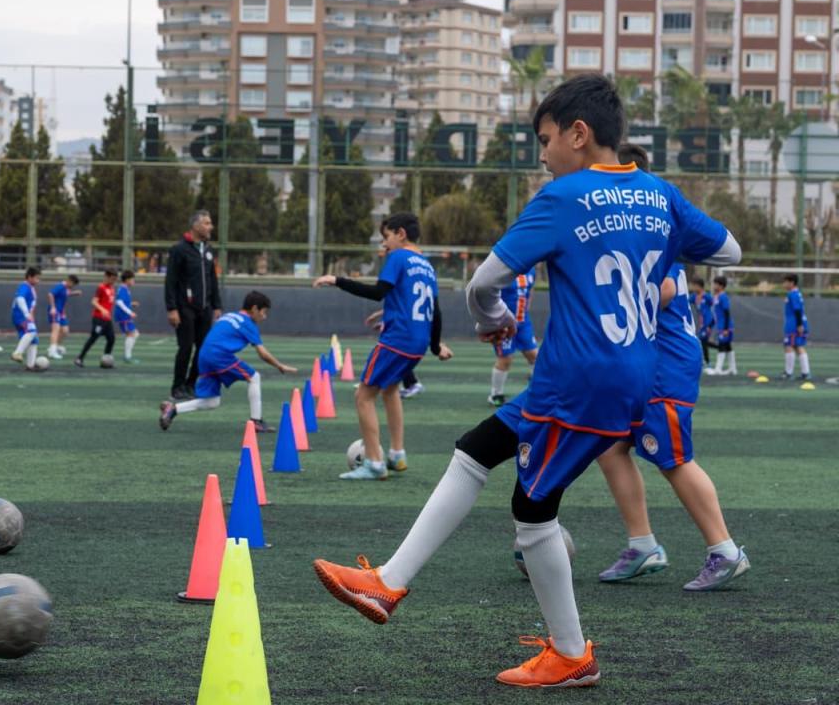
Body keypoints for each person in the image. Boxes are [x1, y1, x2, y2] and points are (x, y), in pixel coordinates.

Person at [310, 74, 740, 688]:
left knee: (532, 511)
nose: (541, 155)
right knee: (477, 448)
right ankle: (388, 582)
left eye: (545, 139)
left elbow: (482, 284)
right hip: (625, 374)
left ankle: (568, 655)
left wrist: (498, 321)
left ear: (579, 133)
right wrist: (663, 262)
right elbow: (730, 252)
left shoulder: (564, 197)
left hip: (580, 379)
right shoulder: (660, 194)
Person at [596, 147, 748, 591]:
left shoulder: (652, 227)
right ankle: (642, 544)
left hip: (666, 366)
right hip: (644, 364)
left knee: (672, 458)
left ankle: (725, 550)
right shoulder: (643, 226)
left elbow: (662, 288)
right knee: (610, 447)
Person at [313, 212, 453, 480]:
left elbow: (378, 291)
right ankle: (397, 454)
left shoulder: (398, 257)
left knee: (363, 396)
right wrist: (434, 346)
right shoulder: (426, 265)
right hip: (417, 343)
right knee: (390, 391)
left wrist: (337, 280)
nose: (384, 243)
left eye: (386, 236)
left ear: (400, 234)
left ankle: (375, 463)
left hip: (397, 340)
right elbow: (435, 311)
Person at [159, 291, 296, 432]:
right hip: (219, 356)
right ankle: (256, 421)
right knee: (254, 377)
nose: (264, 317)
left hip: (204, 356)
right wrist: (279, 365)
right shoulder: (248, 323)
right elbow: (262, 353)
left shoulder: (229, 315)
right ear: (255, 309)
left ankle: (173, 409)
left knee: (212, 401)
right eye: (264, 312)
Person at [165, 210, 222, 400]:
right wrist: (172, 308)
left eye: (210, 223)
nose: (210, 227)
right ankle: (177, 386)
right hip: (184, 308)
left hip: (204, 308)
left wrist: (216, 305)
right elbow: (170, 281)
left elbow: (212, 279)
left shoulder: (208, 250)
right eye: (206, 223)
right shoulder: (179, 249)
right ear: (196, 226)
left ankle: (191, 384)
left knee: (204, 348)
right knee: (186, 347)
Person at [489, 269, 539, 407]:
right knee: (505, 359)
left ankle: (536, 390)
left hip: (523, 322)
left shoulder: (531, 271)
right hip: (503, 323)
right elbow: (489, 293)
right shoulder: (503, 268)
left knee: (535, 356)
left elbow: (530, 290)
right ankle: (495, 395)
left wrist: (526, 309)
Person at [74, 269, 117, 368]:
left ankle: (105, 360)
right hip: (99, 319)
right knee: (93, 338)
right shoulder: (101, 287)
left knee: (111, 339)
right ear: (106, 276)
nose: (113, 281)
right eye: (112, 279)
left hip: (107, 319)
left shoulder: (112, 288)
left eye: (115, 279)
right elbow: (94, 301)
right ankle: (79, 358)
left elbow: (110, 302)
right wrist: (102, 309)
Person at [780, 273, 811, 381]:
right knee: (798, 347)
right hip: (796, 323)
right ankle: (805, 372)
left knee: (789, 346)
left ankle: (789, 373)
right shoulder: (796, 293)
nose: (783, 284)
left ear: (791, 283)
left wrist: (799, 325)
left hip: (794, 325)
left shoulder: (792, 294)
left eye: (785, 282)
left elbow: (797, 310)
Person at [10, 266, 41, 370]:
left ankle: (30, 366)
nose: (38, 280)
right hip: (20, 316)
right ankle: (17, 353)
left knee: (34, 339)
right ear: (29, 277)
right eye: (36, 278)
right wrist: (26, 314)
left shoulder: (30, 288)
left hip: (23, 315)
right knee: (31, 332)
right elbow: (20, 298)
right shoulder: (25, 287)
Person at [46, 274, 81, 360]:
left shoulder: (66, 289)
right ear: (69, 281)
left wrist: (74, 293)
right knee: (56, 330)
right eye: (73, 284)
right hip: (55, 311)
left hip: (61, 312)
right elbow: (50, 294)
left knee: (65, 331)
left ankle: (55, 346)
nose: (73, 286)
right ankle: (52, 351)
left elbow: (66, 294)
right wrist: (53, 307)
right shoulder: (60, 286)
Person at [707, 275, 736, 375]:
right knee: (727, 346)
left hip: (725, 326)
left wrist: (726, 328)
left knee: (722, 346)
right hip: (720, 325)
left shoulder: (723, 296)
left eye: (716, 284)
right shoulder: (716, 297)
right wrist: (710, 326)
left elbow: (727, 312)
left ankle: (718, 369)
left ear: (721, 286)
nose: (714, 285)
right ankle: (733, 369)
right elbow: (716, 314)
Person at [115, 270, 140, 363]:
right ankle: (127, 357)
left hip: (125, 315)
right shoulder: (122, 289)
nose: (134, 281)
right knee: (131, 334)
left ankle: (128, 355)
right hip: (123, 316)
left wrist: (131, 304)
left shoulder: (125, 289)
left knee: (135, 334)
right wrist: (130, 312)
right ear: (127, 280)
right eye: (132, 279)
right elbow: (119, 302)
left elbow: (123, 302)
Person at [690, 276, 714, 365]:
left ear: (699, 286)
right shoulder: (694, 297)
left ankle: (707, 361)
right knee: (702, 341)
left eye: (694, 286)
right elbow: (686, 300)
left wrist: (710, 325)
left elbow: (713, 306)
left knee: (703, 341)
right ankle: (721, 348)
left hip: (708, 322)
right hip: (701, 323)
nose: (693, 288)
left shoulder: (707, 296)